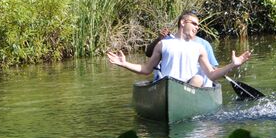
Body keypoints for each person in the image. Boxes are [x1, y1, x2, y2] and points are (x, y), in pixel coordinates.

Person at [107, 11, 252, 88]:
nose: (197, 27)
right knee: (170, 82)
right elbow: (146, 69)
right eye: (194, 23)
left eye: (198, 25)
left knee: (198, 78)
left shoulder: (200, 48)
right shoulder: (163, 44)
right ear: (183, 22)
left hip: (190, 90)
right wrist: (125, 64)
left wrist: (233, 64)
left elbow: (212, 75)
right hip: (167, 87)